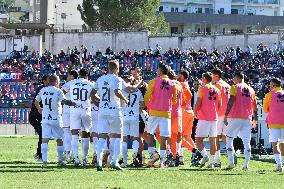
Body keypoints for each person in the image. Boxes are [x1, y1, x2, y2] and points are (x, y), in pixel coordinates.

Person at [95, 60, 129, 171]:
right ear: (116, 68)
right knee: (118, 136)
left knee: (101, 137)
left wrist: (97, 101)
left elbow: (92, 93)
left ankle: (99, 162)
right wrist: (125, 99)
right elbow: (117, 92)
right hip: (114, 111)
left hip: (103, 111)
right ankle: (114, 162)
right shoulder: (117, 79)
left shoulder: (100, 79)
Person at [34, 74, 75, 167]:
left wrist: (39, 108)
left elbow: (36, 101)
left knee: (45, 139)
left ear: (48, 81)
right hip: (56, 118)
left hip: (45, 119)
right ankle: (60, 160)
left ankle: (44, 161)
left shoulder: (43, 90)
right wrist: (73, 103)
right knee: (59, 139)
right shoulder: (58, 91)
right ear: (56, 81)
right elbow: (64, 101)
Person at [144, 63, 177, 168]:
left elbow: (147, 97)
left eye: (158, 70)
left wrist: (148, 106)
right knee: (163, 137)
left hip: (154, 112)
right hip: (166, 113)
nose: (156, 72)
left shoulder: (153, 82)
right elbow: (174, 100)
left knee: (148, 133)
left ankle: (153, 155)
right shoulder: (173, 84)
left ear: (161, 71)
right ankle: (161, 162)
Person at [224, 72, 257, 171]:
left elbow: (231, 100)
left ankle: (231, 163)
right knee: (247, 142)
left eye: (233, 78)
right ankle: (246, 165)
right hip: (247, 118)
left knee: (229, 139)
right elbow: (254, 107)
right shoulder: (251, 90)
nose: (233, 80)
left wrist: (225, 114)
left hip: (235, 117)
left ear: (237, 78)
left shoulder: (235, 87)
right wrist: (255, 120)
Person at [64, 68, 96, 167]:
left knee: (74, 134)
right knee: (85, 134)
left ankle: (76, 159)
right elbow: (95, 97)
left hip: (74, 110)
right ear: (86, 75)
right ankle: (84, 159)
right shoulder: (90, 83)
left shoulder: (72, 82)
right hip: (86, 110)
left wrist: (67, 102)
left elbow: (61, 93)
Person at [194, 72, 221, 168]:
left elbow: (198, 102)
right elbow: (219, 105)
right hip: (214, 118)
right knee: (213, 140)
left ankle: (205, 156)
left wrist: (194, 112)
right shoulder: (217, 89)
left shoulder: (202, 88)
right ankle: (211, 163)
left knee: (198, 139)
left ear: (204, 78)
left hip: (204, 117)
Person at [177, 70, 202, 166]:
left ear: (182, 76)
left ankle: (194, 151)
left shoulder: (180, 84)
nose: (176, 75)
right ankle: (197, 154)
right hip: (190, 112)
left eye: (178, 74)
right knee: (187, 136)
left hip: (183, 112)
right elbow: (190, 96)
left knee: (176, 136)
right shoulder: (186, 85)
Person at [121, 74, 145, 167]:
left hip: (124, 116)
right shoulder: (138, 91)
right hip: (134, 116)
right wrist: (136, 111)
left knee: (124, 139)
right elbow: (142, 105)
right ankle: (135, 155)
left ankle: (124, 161)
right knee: (135, 138)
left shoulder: (122, 90)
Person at [263, 78, 284, 172]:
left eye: (270, 85)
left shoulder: (269, 95)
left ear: (274, 85)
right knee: (283, 144)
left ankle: (279, 165)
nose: (269, 87)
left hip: (274, 122)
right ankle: (282, 163)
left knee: (275, 144)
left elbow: (265, 109)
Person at [212, 69, 231, 168]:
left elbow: (215, 100)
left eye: (213, 75)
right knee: (225, 137)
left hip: (219, 113)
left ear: (216, 76)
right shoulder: (228, 85)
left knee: (215, 137)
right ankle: (232, 157)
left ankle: (218, 160)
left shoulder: (217, 85)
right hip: (228, 114)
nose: (211, 77)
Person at [28, 75, 48, 162]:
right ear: (44, 81)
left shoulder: (44, 89)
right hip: (34, 117)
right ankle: (39, 156)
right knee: (43, 135)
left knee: (43, 135)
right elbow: (37, 103)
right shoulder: (42, 89)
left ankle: (39, 155)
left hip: (38, 116)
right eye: (48, 80)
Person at [61, 70, 78, 162]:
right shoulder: (80, 83)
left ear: (72, 76)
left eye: (68, 76)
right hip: (78, 109)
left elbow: (61, 93)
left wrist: (64, 101)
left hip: (68, 108)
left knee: (67, 131)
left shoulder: (69, 83)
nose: (67, 78)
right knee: (76, 133)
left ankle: (67, 154)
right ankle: (78, 156)